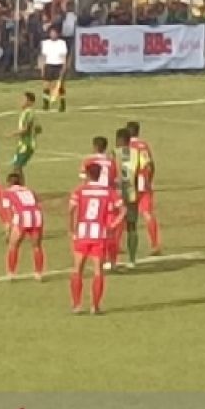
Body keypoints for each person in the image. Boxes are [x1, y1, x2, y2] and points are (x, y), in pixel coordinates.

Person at [69, 163, 127, 315]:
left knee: (77, 270)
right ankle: (95, 306)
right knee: (97, 271)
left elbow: (71, 209)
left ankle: (76, 305)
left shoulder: (80, 190)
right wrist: (114, 224)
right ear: (101, 174)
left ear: (87, 175)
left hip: (82, 233)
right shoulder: (108, 192)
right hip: (99, 234)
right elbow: (123, 210)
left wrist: (71, 228)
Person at [126, 121, 161, 255]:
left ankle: (117, 246)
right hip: (143, 183)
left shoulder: (126, 147)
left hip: (131, 184)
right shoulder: (143, 145)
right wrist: (149, 181)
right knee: (147, 213)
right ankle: (155, 245)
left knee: (123, 214)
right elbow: (151, 165)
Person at [2, 172, 45, 281]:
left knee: (13, 245)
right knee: (37, 246)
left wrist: (8, 228)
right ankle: (38, 273)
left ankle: (11, 273)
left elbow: (8, 212)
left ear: (8, 183)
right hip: (36, 217)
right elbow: (39, 205)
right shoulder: (30, 190)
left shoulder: (7, 193)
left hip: (22, 217)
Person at [114, 128, 144, 269]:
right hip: (132, 193)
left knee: (112, 226)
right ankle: (132, 259)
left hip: (117, 194)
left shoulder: (114, 153)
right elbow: (143, 172)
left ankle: (110, 259)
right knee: (132, 226)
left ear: (119, 140)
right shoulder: (137, 154)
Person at [10, 92, 40, 180]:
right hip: (23, 143)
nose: (21, 101)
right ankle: (20, 188)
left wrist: (12, 133)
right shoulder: (26, 113)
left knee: (17, 166)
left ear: (30, 102)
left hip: (27, 144)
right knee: (17, 166)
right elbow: (39, 128)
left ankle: (21, 188)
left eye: (24, 100)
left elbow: (25, 129)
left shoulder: (29, 113)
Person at [39, 25, 68, 111]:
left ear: (57, 34)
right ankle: (45, 104)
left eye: (54, 33)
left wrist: (64, 66)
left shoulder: (62, 43)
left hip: (58, 66)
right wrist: (42, 68)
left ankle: (62, 104)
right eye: (51, 33)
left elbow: (63, 56)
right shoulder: (45, 43)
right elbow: (43, 57)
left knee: (60, 86)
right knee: (46, 86)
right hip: (48, 66)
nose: (53, 34)